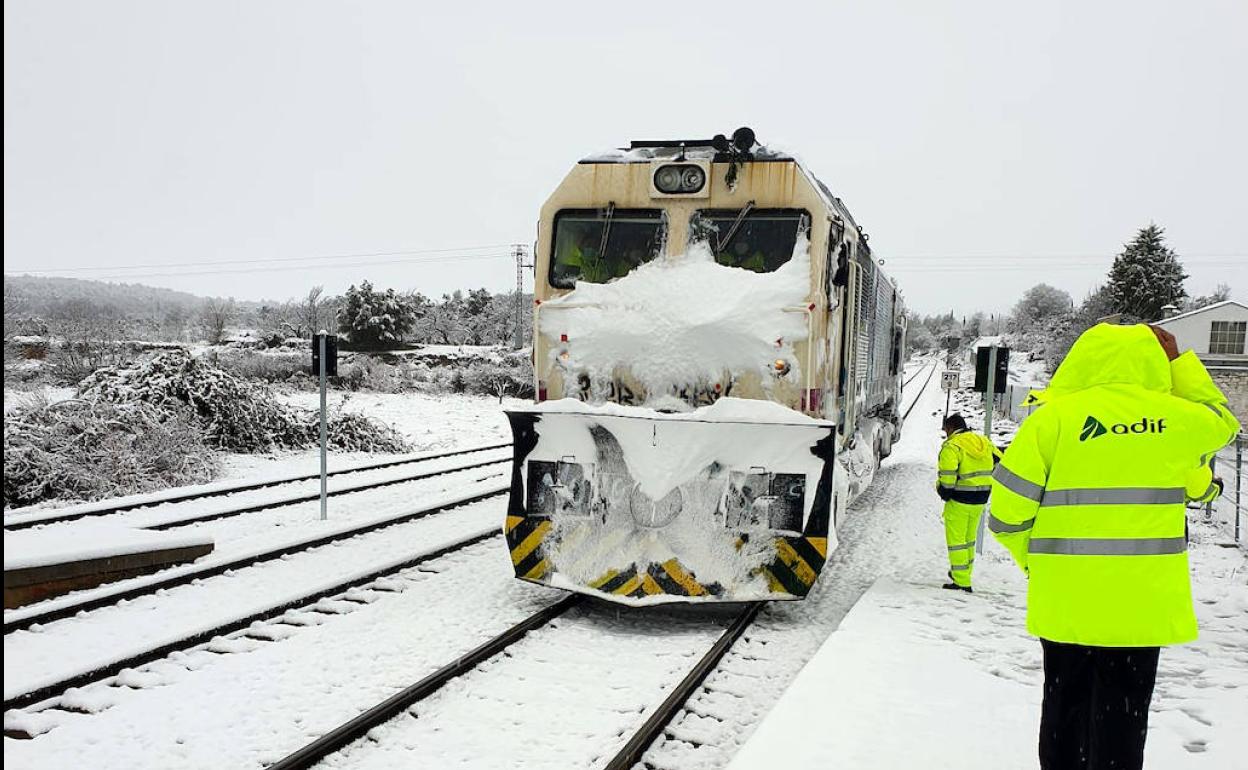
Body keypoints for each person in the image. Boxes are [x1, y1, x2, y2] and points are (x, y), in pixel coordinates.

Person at [988, 323, 1238, 770]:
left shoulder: (1052, 420)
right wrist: (1181, 363)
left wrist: (1040, 563)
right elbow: (1222, 421)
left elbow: (1006, 517)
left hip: (1067, 604)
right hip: (1141, 609)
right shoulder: (1177, 421)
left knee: (1065, 711)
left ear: (1080, 360)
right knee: (1123, 719)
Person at [936, 413, 1001, 592]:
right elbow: (1000, 461)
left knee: (957, 541)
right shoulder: (983, 441)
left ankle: (961, 581)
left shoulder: (952, 446)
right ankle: (965, 572)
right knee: (969, 540)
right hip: (980, 500)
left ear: (950, 428)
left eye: (945, 430)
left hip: (959, 500)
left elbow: (947, 479)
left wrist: (943, 491)